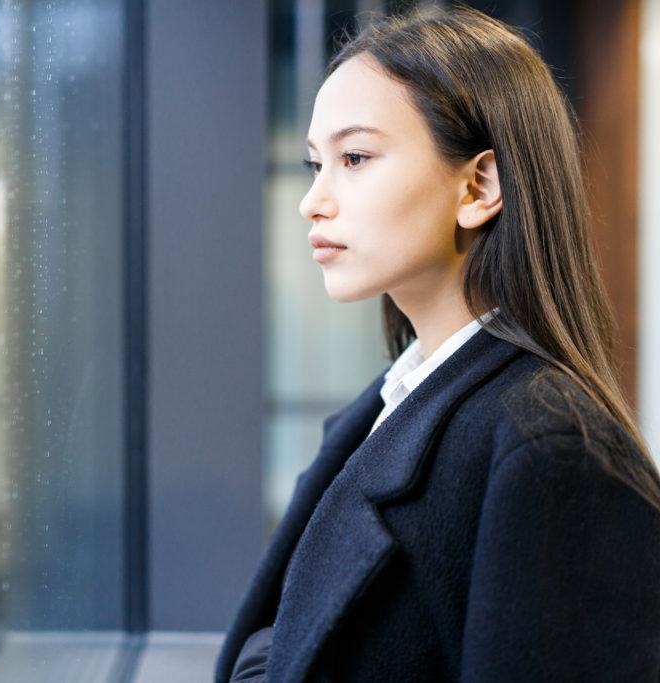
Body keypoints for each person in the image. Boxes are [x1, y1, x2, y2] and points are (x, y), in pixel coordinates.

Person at [217, 7, 660, 683]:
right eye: (315, 163)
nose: (313, 199)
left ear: (479, 186)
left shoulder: (550, 446)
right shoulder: (396, 402)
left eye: (355, 158)